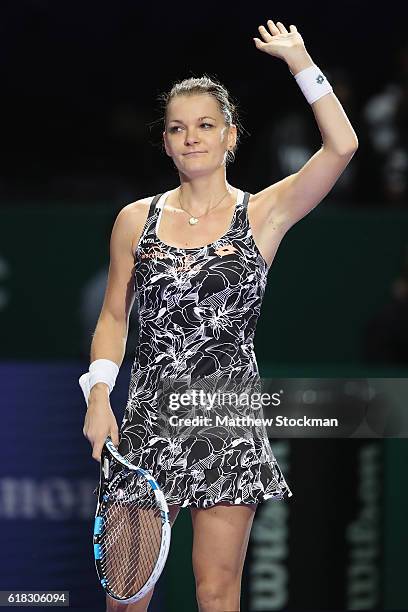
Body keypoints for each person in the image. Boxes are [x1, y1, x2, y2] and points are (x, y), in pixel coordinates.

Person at [81, 18, 358, 612]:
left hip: (225, 420)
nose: (192, 138)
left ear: (231, 136)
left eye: (206, 126)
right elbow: (112, 318)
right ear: (165, 142)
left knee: (216, 591)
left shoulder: (265, 214)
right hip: (145, 424)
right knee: (127, 598)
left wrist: (300, 62)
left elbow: (343, 146)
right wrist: (99, 398)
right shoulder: (135, 221)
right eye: (178, 129)